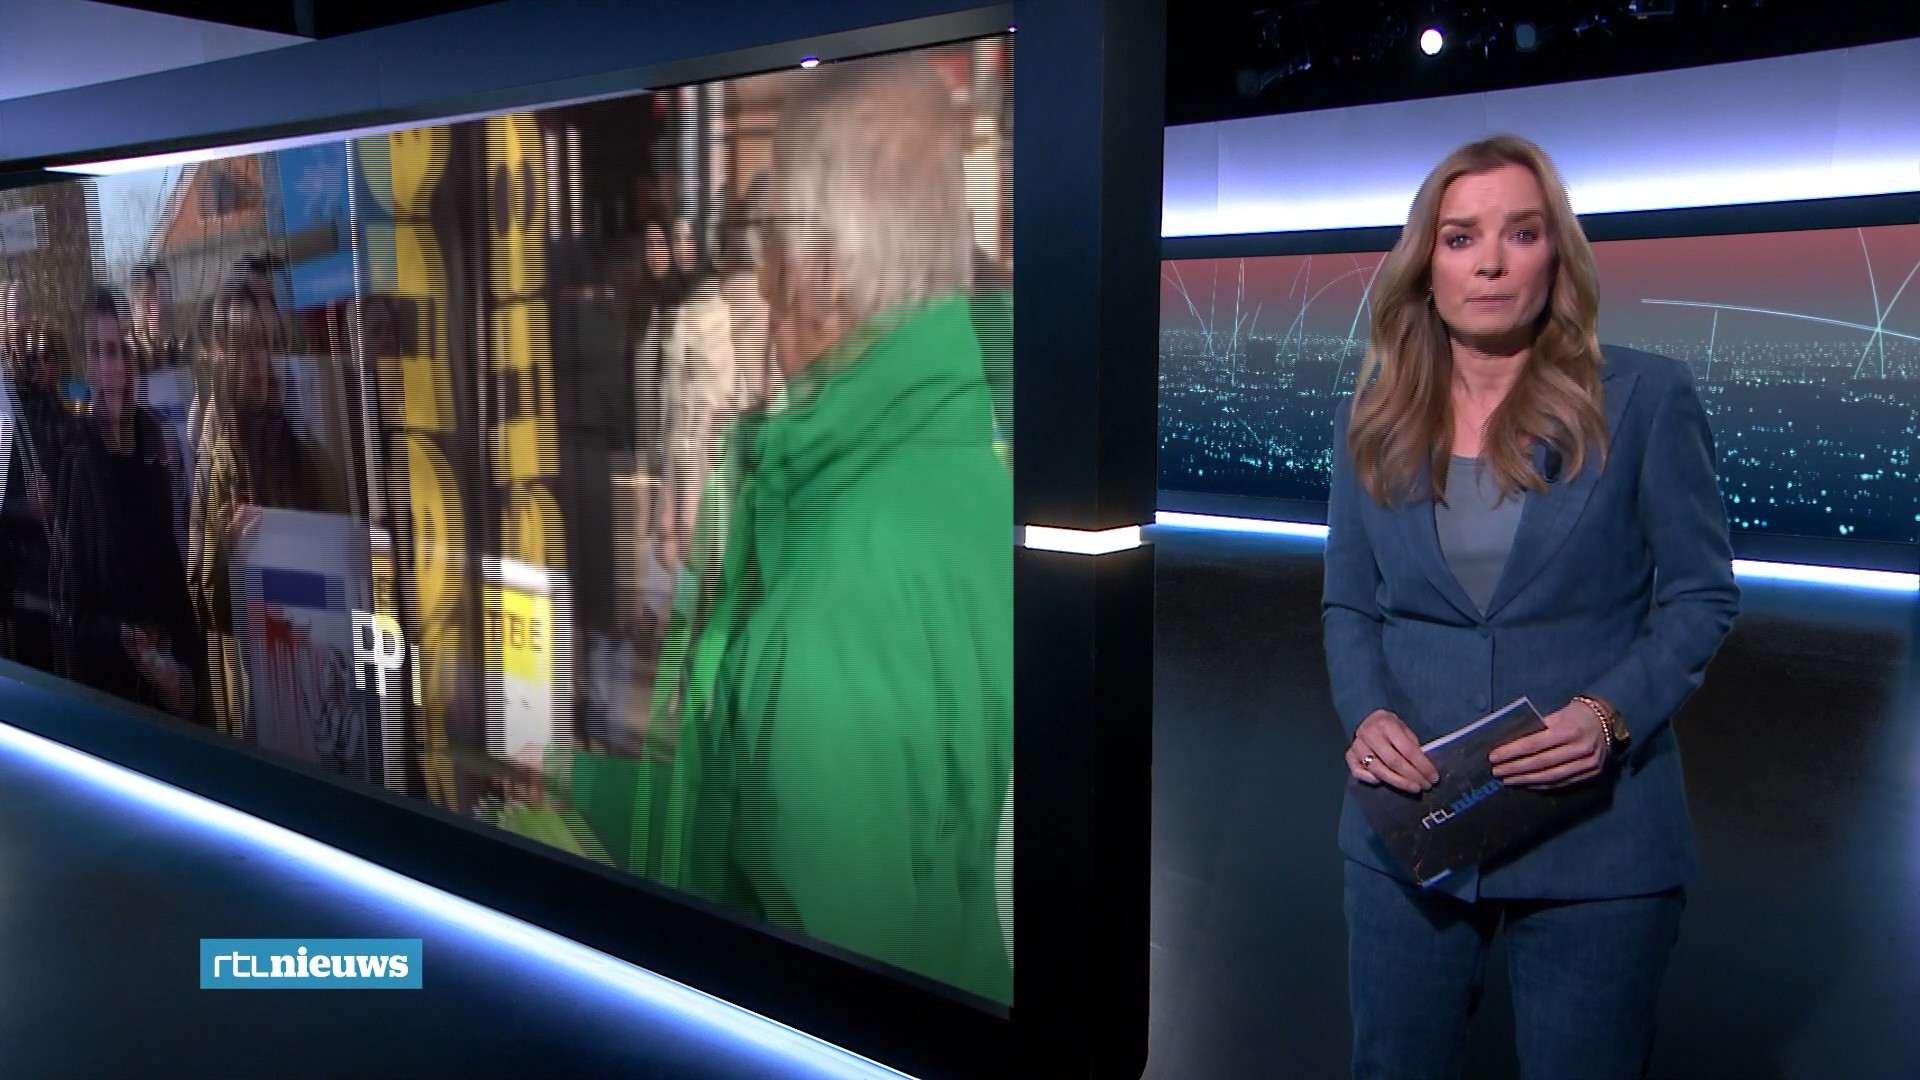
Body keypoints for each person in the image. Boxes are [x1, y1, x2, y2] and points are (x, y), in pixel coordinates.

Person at [1322, 134, 1740, 1080]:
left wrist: (1608, 714)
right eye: (1461, 237)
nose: (1491, 262)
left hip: (1598, 836)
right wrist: (1368, 714)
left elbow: (1701, 594)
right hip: (1414, 823)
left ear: (1558, 255)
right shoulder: (1371, 416)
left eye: (1521, 232)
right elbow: (1348, 604)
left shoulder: (1645, 398)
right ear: (1426, 264)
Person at [680, 56, 1012, 1004]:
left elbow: (828, 1007)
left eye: (775, 239)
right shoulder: (968, 478)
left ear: (828, 263)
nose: (765, 280)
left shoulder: (833, 600)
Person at [187, 281, 346, 738]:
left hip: (324, 693)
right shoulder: (215, 466)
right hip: (259, 699)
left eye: (273, 343)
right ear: (223, 355)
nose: (265, 359)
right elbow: (204, 605)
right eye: (250, 344)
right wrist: (228, 553)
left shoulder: (310, 456)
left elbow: (351, 576)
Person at [55, 290, 200, 719]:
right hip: (111, 698)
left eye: (119, 350)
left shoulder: (151, 442)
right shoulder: (76, 455)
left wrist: (185, 677)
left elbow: (172, 575)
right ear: (86, 364)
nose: (112, 367)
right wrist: (123, 640)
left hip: (165, 688)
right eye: (99, 352)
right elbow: (72, 608)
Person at [0, 322, 76, 673]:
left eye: (48, 356)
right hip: (27, 586)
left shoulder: (73, 416)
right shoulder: (11, 420)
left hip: (70, 582)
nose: (41, 365)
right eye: (32, 358)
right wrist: (27, 508)